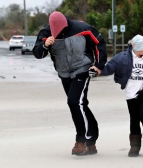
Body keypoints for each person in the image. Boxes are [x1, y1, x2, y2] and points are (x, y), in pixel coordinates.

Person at [32, 11, 107, 156]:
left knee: (74, 102)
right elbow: (37, 54)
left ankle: (82, 140)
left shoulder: (82, 28)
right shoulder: (46, 32)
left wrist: (99, 66)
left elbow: (99, 44)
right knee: (79, 104)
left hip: (82, 69)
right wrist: (44, 45)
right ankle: (92, 139)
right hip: (64, 73)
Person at [92, 34, 143, 157]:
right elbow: (109, 68)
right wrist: (97, 70)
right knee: (134, 120)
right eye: (142, 49)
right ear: (134, 47)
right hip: (131, 95)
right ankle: (135, 147)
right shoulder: (122, 58)